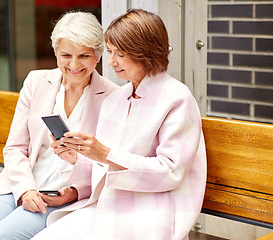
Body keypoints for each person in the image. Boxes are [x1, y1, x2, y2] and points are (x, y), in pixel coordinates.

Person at [32, 9, 207, 240]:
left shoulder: (176, 98)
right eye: (111, 52)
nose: (112, 61)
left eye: (121, 54)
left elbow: (170, 171)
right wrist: (76, 157)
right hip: (105, 205)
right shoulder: (116, 99)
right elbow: (106, 167)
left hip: (149, 213)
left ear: (145, 52)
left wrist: (104, 153)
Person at [0, 11, 118, 240]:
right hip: (19, 184)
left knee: (0, 237)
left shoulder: (113, 97)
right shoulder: (36, 82)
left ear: (98, 55)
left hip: (60, 196)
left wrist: (74, 193)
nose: (74, 64)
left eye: (84, 56)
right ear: (55, 52)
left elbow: (108, 166)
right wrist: (26, 189)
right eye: (66, 55)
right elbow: (14, 148)